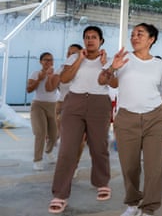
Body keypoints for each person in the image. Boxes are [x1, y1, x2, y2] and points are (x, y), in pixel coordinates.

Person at [101, 23, 162, 216]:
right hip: (126, 118)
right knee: (129, 165)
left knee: (154, 166)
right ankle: (132, 203)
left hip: (154, 118)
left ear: (151, 39)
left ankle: (149, 208)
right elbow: (102, 80)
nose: (134, 37)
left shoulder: (158, 65)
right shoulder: (123, 59)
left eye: (140, 34)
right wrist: (112, 69)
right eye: (132, 34)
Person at [48, 26, 111, 214]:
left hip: (99, 103)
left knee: (99, 146)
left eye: (94, 37)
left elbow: (114, 83)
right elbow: (65, 79)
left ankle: (101, 182)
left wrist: (109, 67)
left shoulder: (107, 60)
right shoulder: (74, 58)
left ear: (101, 41)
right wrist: (80, 59)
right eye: (87, 37)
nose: (90, 40)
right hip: (74, 103)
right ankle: (60, 194)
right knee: (67, 149)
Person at [53, 43, 86, 178]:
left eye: (74, 53)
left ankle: (75, 165)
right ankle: (65, 164)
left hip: (80, 105)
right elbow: (56, 86)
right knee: (67, 139)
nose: (70, 55)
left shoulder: (85, 69)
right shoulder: (61, 68)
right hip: (63, 104)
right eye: (69, 52)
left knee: (80, 140)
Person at [27, 52, 59, 171]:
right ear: (40, 62)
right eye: (45, 60)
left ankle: (49, 151)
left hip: (53, 105)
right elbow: (29, 89)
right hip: (38, 105)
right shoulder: (35, 73)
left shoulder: (56, 74)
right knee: (40, 132)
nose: (48, 62)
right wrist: (39, 79)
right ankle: (37, 160)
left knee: (54, 134)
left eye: (51, 60)